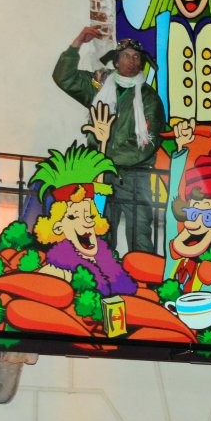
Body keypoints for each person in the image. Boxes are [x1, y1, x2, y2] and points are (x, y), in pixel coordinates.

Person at [53, 27, 166, 254]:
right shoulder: (99, 87)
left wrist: (106, 159)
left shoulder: (149, 98)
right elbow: (64, 78)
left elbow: (149, 141)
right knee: (98, 230)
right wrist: (77, 43)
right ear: (116, 61)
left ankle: (142, 275)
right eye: (126, 55)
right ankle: (103, 273)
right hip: (99, 174)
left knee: (140, 235)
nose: (131, 61)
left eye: (136, 57)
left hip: (135, 177)